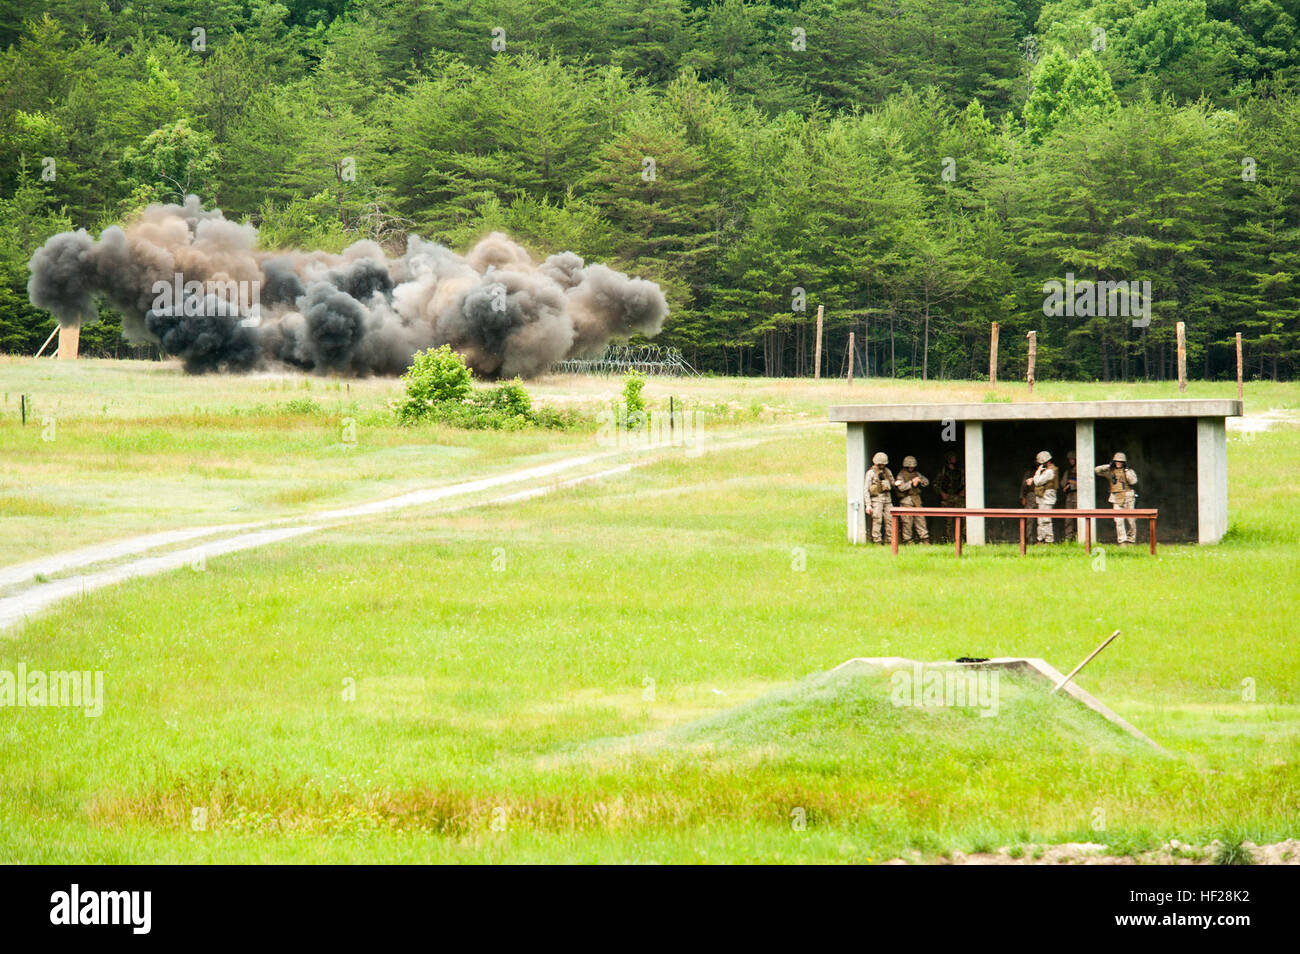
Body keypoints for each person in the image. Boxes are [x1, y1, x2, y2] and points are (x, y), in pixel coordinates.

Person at [1094, 451, 1139, 546]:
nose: (1118, 463)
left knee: (1131, 521)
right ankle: (1122, 541)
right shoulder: (1110, 472)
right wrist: (1107, 466)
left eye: (1120, 462)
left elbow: (1133, 481)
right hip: (1116, 498)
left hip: (1128, 497)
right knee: (1118, 521)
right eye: (1117, 461)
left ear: (1124, 463)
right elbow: (1097, 470)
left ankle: (1131, 540)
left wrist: (1126, 472)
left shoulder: (1129, 471)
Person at [893, 455, 931, 543]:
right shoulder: (901, 475)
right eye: (909, 466)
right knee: (907, 522)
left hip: (917, 500)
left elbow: (926, 482)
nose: (911, 468)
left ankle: (924, 539)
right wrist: (911, 483)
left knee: (921, 520)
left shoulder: (917, 474)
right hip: (906, 500)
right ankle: (908, 540)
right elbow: (901, 488)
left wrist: (920, 480)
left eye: (913, 466)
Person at [1025, 450, 1059, 543]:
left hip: (1047, 498)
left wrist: (1037, 471)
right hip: (1042, 497)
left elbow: (1038, 481)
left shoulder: (1050, 471)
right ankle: (1041, 539)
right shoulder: (1047, 471)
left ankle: (1048, 540)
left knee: (1046, 520)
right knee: (1040, 520)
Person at [864, 452, 894, 545]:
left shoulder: (887, 471)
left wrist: (893, 483)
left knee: (890, 519)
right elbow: (866, 489)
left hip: (887, 499)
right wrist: (868, 504)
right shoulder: (871, 473)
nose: (882, 465)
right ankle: (877, 540)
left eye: (883, 464)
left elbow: (893, 483)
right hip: (876, 500)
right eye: (880, 464)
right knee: (877, 520)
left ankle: (889, 540)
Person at [935, 450, 965, 543]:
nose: (954, 459)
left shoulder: (960, 470)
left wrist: (964, 490)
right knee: (948, 521)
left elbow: (965, 482)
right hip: (947, 497)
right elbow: (936, 484)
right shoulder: (943, 470)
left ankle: (963, 539)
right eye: (952, 457)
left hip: (958, 497)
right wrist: (942, 493)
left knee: (963, 518)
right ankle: (947, 540)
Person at [1062, 450, 1078, 541]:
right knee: (1068, 518)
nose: (1071, 461)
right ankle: (1068, 538)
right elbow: (1062, 483)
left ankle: (1079, 537)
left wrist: (1072, 483)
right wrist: (1067, 484)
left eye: (1073, 459)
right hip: (1069, 496)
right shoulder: (1068, 471)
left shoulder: (1081, 470)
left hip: (1077, 496)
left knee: (1079, 518)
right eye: (1070, 459)